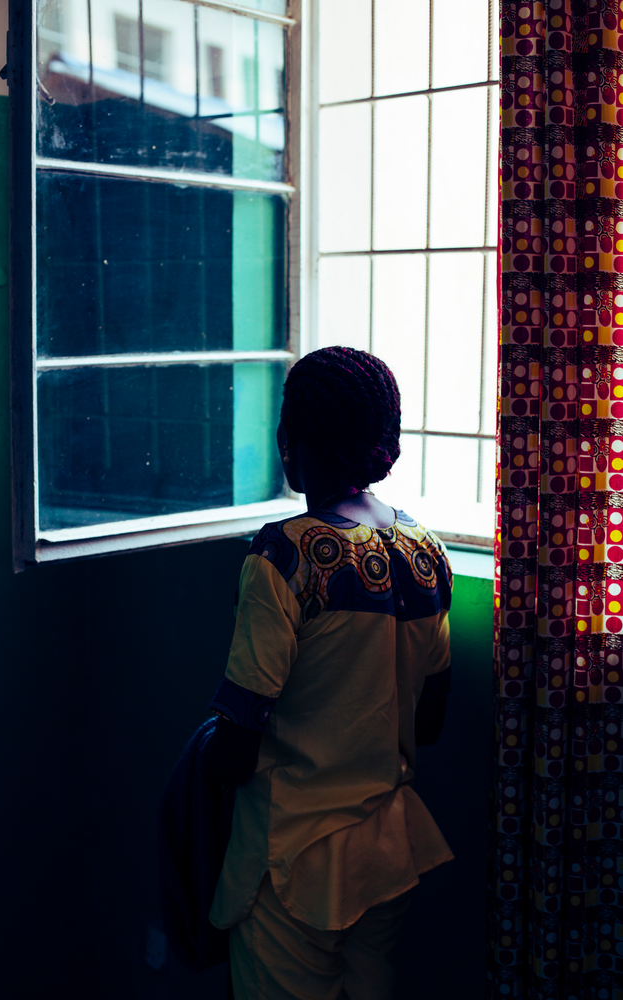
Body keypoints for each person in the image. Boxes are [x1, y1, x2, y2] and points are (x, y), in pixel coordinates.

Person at [203, 346, 454, 1000]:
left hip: (295, 860)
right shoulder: (426, 552)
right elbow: (428, 720)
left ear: (293, 439)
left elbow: (236, 744)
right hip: (386, 852)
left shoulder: (283, 557)